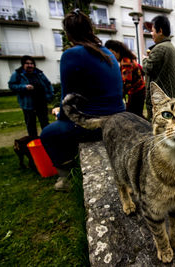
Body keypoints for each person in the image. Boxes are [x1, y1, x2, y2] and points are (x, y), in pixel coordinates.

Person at [40, 9, 125, 191]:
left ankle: (65, 179)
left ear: (68, 33)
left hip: (95, 124)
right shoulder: (107, 53)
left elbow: (67, 96)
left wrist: (61, 116)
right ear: (90, 29)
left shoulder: (72, 54)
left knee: (48, 134)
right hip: (118, 117)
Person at [142, 15, 175, 120]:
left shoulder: (160, 48)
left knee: (157, 129)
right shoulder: (172, 49)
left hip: (159, 101)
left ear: (160, 31)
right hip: (170, 98)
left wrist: (145, 59)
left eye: (153, 30)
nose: (151, 34)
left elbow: (147, 68)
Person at [8, 55, 54, 137]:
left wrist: (50, 95)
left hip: (41, 102)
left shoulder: (39, 73)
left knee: (45, 123)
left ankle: (47, 139)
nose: (30, 65)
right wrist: (24, 87)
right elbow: (11, 85)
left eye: (32, 63)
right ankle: (34, 141)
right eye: (27, 63)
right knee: (31, 124)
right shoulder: (18, 74)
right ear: (23, 65)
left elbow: (48, 84)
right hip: (28, 104)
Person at [105, 40, 146, 118]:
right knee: (136, 114)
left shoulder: (126, 61)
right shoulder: (129, 57)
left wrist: (119, 95)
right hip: (139, 90)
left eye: (112, 53)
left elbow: (127, 83)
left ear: (117, 52)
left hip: (136, 92)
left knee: (133, 116)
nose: (112, 57)